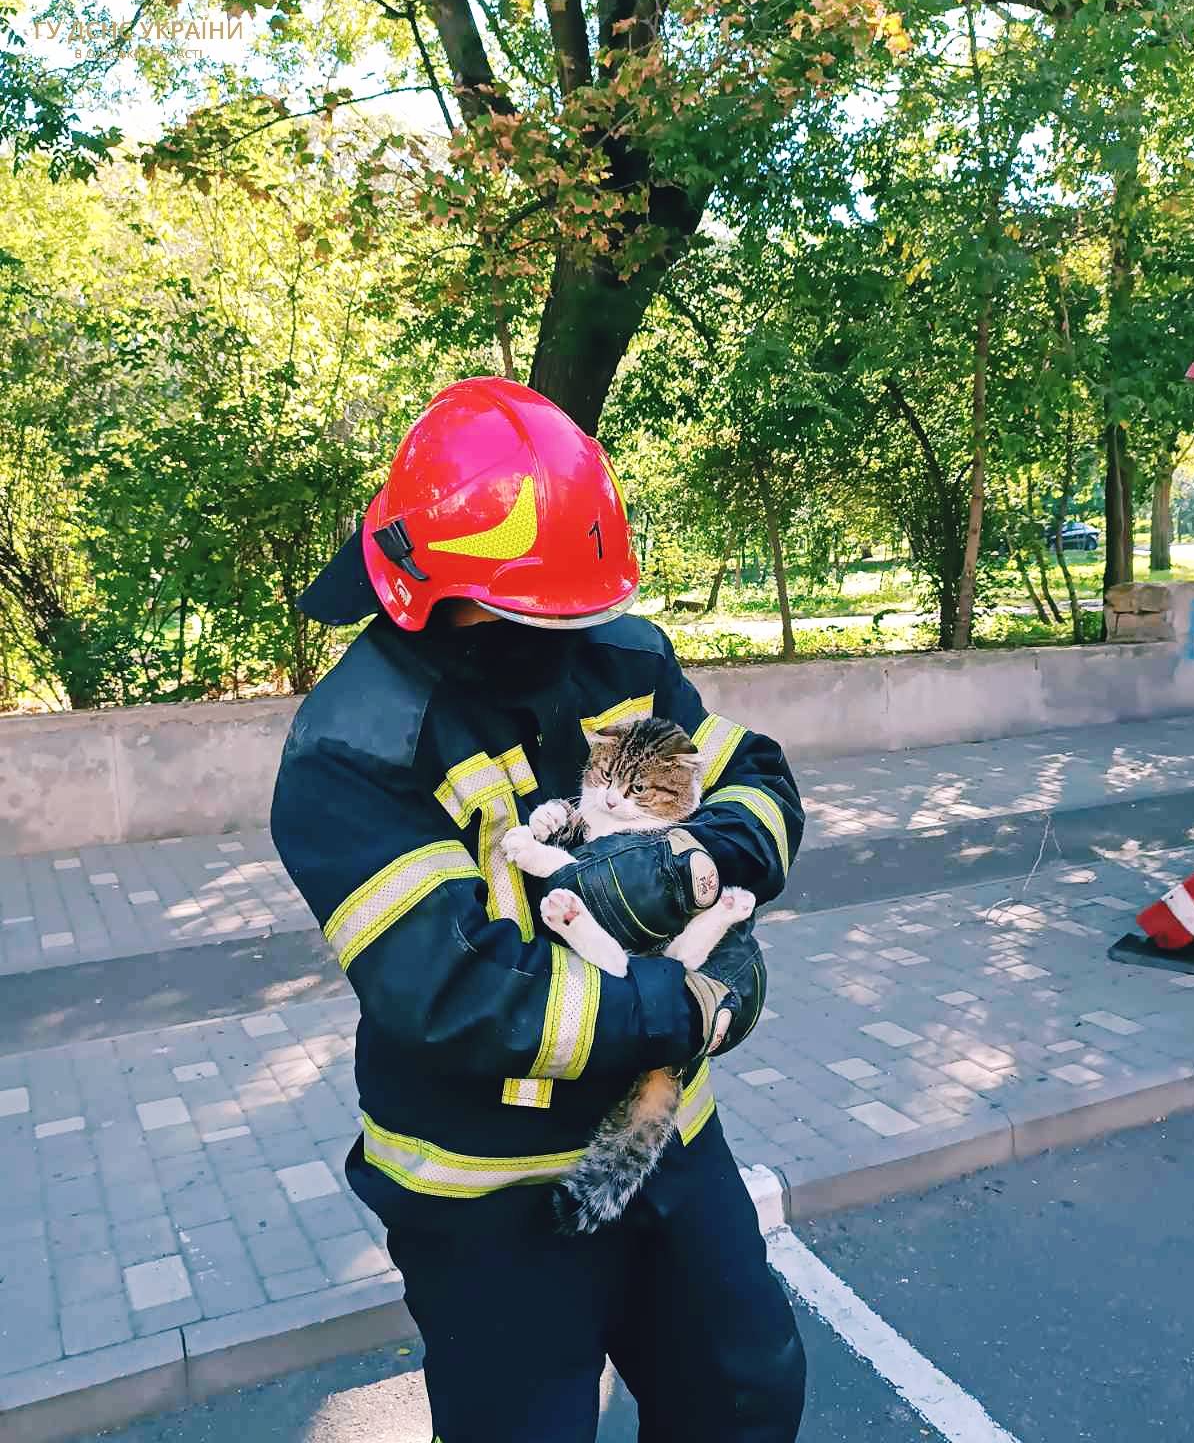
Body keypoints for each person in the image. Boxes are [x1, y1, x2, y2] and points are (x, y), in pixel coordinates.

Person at [270, 377, 808, 1442]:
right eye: (524, 612)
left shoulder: (610, 660)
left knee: (745, 1392)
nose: (556, 637)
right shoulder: (355, 747)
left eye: (575, 609)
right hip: (485, 1190)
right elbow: (462, 995)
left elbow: (755, 783)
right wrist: (687, 1007)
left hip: (660, 1134)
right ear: (426, 588)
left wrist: (697, 862)